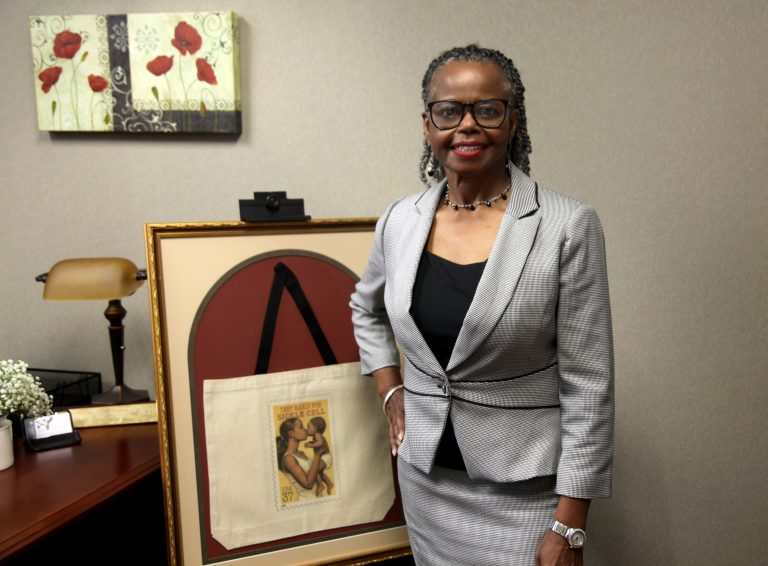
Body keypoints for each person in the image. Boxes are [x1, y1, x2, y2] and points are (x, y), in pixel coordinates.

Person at [350, 44, 614, 565]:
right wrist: (389, 389)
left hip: (526, 491)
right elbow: (367, 307)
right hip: (427, 483)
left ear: (513, 121)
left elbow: (590, 384)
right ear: (428, 125)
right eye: (449, 111)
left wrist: (571, 525)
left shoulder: (567, 226)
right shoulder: (399, 221)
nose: (466, 126)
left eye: (486, 110)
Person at [276, 417, 327, 500]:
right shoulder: (289, 459)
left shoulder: (301, 453)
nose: (305, 429)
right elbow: (308, 484)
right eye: (301, 427)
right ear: (291, 433)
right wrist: (317, 455)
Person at [305, 416, 335, 496]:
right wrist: (311, 442)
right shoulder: (316, 435)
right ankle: (329, 483)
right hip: (325, 457)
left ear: (315, 428)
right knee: (320, 472)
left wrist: (311, 445)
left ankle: (321, 485)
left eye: (308, 427)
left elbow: (320, 443)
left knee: (315, 471)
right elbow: (317, 442)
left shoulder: (317, 435)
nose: (307, 429)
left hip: (325, 457)